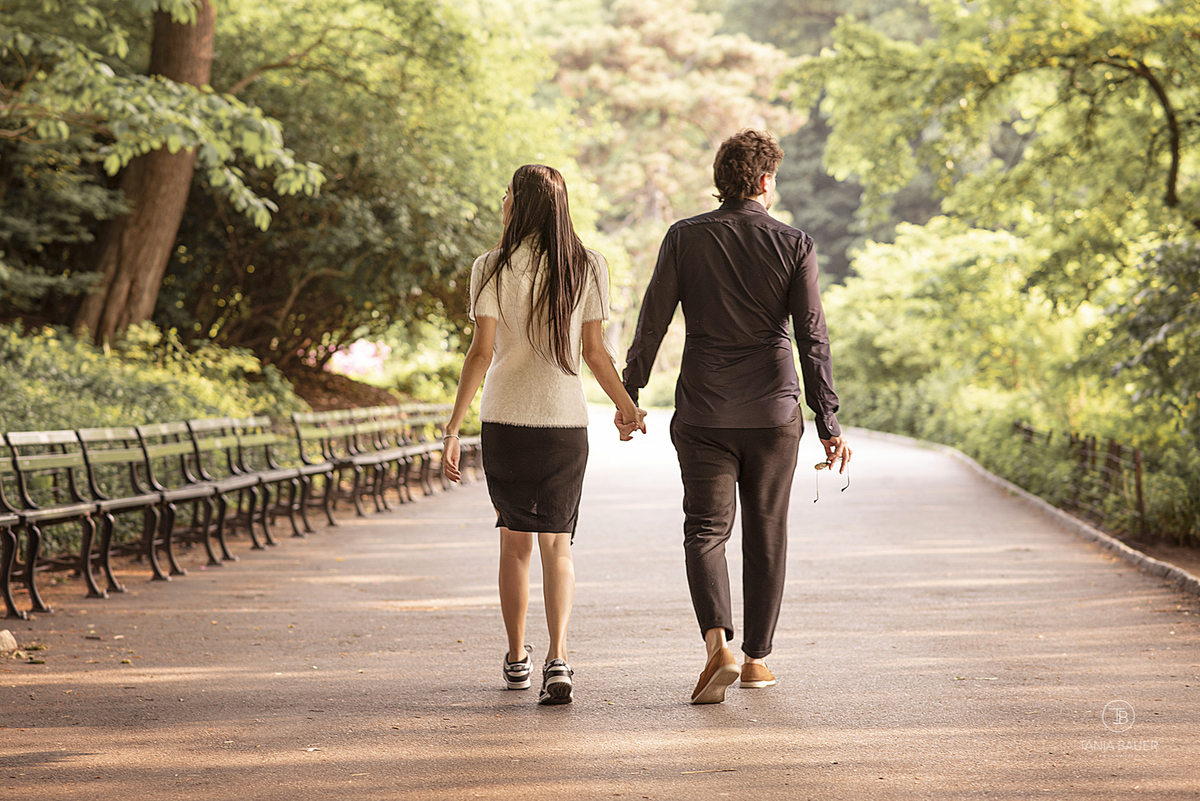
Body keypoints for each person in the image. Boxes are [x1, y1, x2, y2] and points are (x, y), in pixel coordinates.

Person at [619, 129, 851, 704]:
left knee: (705, 530)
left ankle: (716, 646)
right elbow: (812, 337)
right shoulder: (793, 243)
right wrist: (827, 420)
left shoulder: (684, 237)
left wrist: (630, 391)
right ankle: (754, 660)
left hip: (704, 410)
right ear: (766, 181)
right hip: (774, 411)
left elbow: (653, 320)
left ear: (721, 180)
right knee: (766, 531)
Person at [442, 164, 646, 706]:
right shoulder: (588, 265)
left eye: (507, 194)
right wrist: (627, 406)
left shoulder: (490, 266)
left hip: (505, 422)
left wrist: (452, 427)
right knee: (558, 545)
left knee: (514, 546)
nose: (502, 202)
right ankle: (558, 659)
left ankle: (517, 659)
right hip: (564, 425)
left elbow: (480, 354)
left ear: (521, 203)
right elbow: (594, 353)